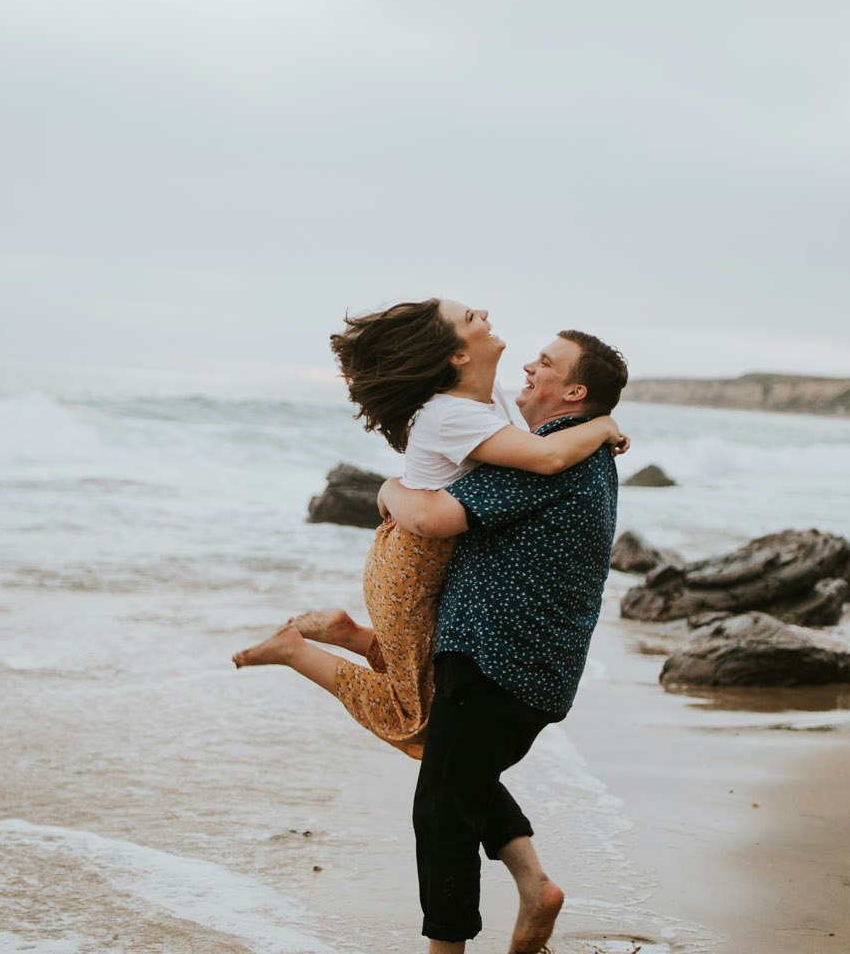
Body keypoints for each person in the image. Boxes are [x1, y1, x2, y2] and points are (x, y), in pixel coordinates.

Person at [232, 300, 624, 759]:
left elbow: (540, 445)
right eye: (469, 317)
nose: (483, 312)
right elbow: (546, 457)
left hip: (424, 553)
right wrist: (602, 426)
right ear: (458, 354)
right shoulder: (451, 413)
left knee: (426, 685)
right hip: (412, 562)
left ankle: (351, 634)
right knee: (415, 721)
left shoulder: (488, 397)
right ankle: (293, 651)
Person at [365, 327, 628, 954]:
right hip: (529, 665)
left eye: (548, 362)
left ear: (575, 391)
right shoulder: (580, 449)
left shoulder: (550, 458)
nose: (531, 364)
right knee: (460, 776)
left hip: (495, 657)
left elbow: (429, 517)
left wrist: (390, 487)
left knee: (443, 804)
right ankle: (535, 887)